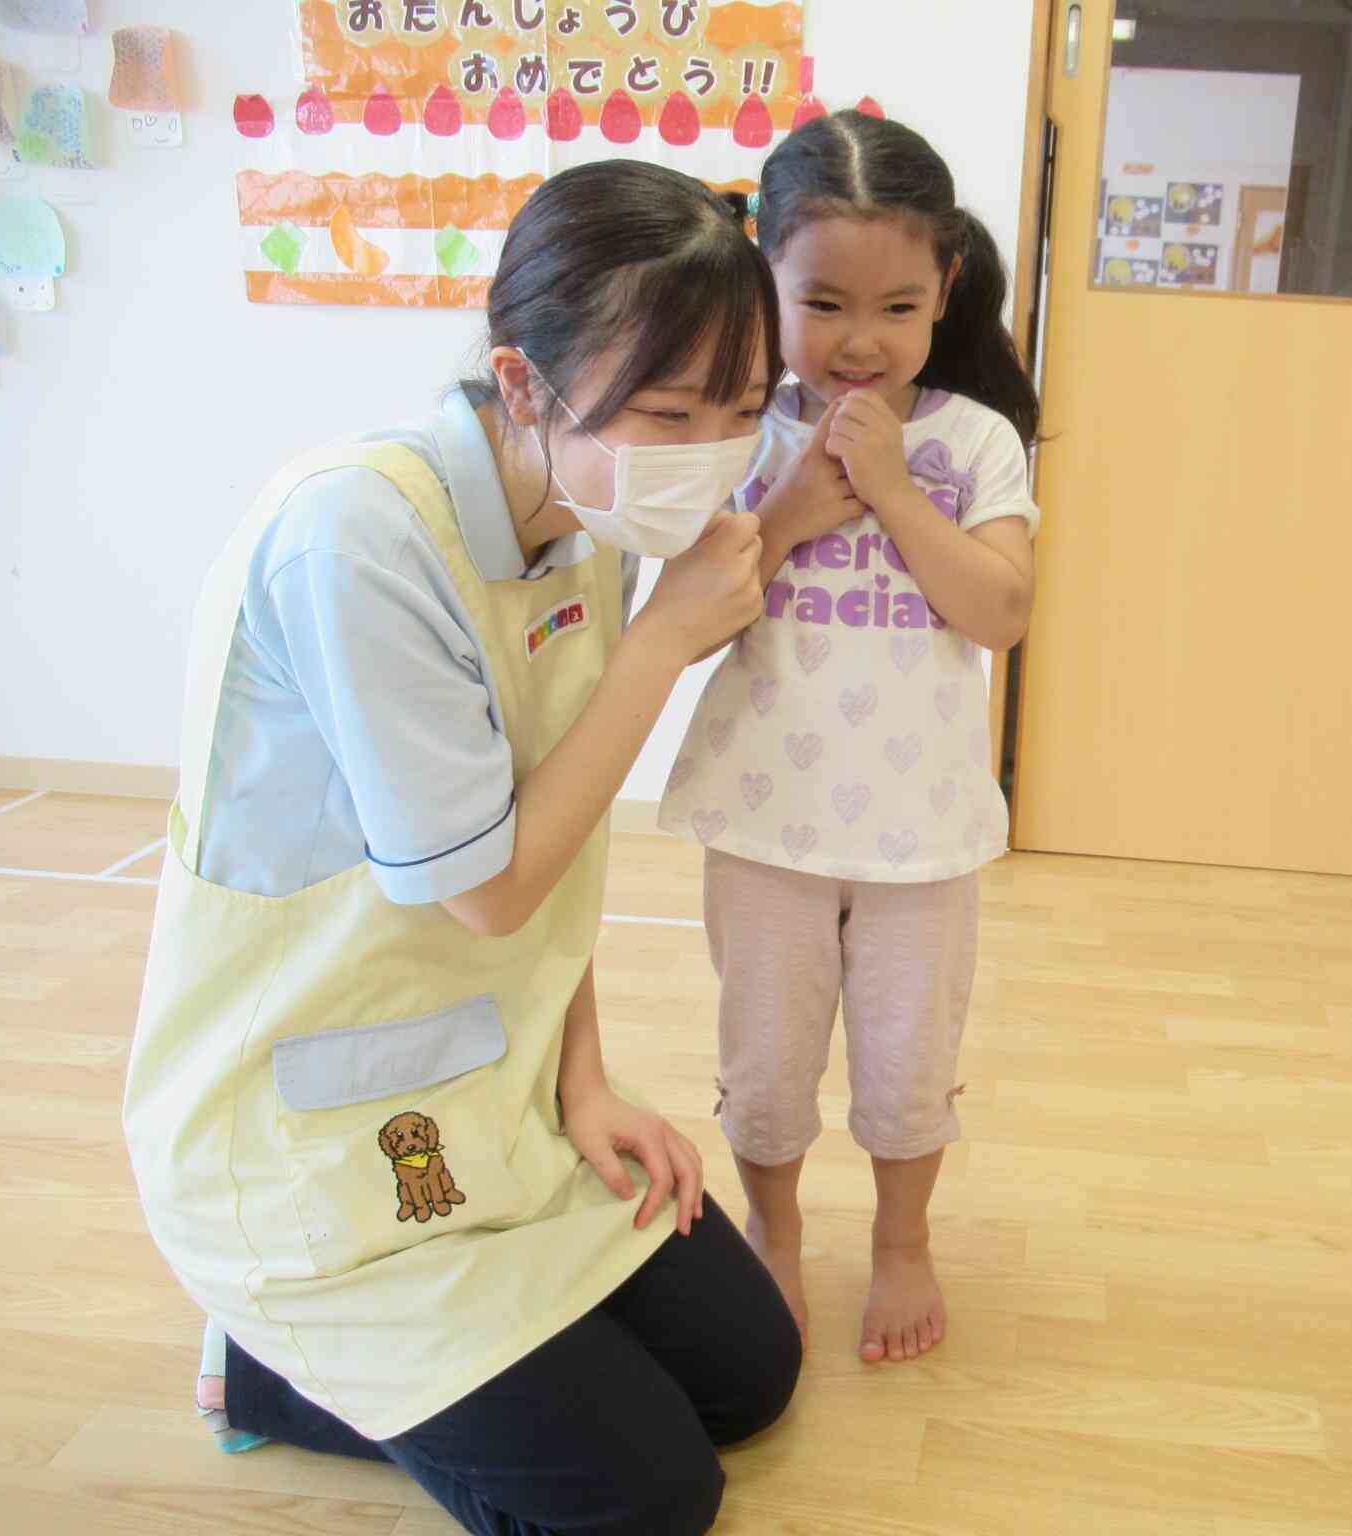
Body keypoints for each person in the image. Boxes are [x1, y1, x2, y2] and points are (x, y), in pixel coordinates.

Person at [123, 161, 802, 1536]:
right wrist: (668, 644)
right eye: (671, 413)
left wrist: (589, 1080)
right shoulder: (356, 535)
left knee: (754, 1370)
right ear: (527, 380)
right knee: (652, 1501)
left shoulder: (588, 524)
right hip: (308, 1131)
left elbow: (563, 848)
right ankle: (272, 1349)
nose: (712, 454)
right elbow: (491, 888)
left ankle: (324, 1376)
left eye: (741, 414)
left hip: (490, 1084)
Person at [658, 111, 1040, 1365]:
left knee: (905, 1066)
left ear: (944, 297)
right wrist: (785, 513)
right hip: (764, 818)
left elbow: (1000, 607)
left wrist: (884, 489)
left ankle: (901, 1244)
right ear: (760, 277)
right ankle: (773, 1234)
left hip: (919, 831)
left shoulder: (973, 441)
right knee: (764, 1067)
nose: (859, 342)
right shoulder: (731, 434)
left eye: (898, 307)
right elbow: (684, 631)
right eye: (821, 302)